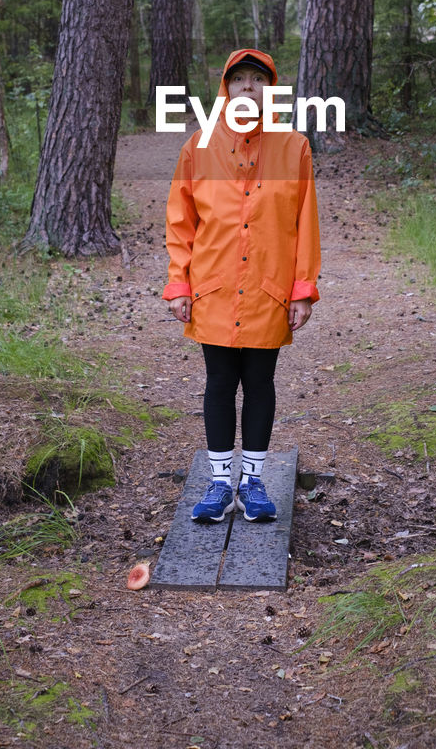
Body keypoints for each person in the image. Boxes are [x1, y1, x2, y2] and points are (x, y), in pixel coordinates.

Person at [162, 49, 321, 523]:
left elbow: (305, 222)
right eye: (239, 80)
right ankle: (218, 484)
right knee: (218, 382)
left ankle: (252, 484)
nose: (247, 87)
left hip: (268, 290)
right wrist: (179, 283)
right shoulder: (198, 147)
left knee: (259, 382)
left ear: (268, 89)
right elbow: (181, 221)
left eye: (257, 79)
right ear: (225, 89)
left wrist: (302, 289)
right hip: (212, 288)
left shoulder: (294, 147)